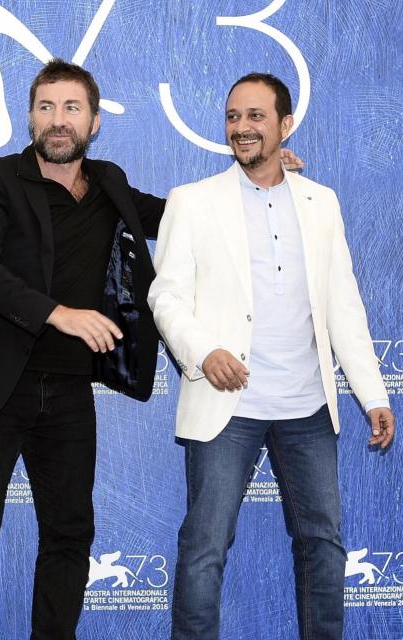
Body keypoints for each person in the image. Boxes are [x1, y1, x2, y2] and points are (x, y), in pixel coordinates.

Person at [147, 72, 394, 640]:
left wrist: (373, 394)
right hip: (226, 406)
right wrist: (202, 351)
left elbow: (343, 304)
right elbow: (166, 295)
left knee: (324, 544)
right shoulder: (193, 201)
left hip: (308, 406)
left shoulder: (320, 202)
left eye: (256, 116)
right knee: (205, 546)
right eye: (234, 116)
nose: (242, 127)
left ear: (285, 125)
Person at [0, 59, 164, 640]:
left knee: (69, 534)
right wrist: (57, 313)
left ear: (94, 122)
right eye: (46, 107)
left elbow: (184, 215)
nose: (57, 120)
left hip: (68, 392)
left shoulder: (110, 183)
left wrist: (254, 178)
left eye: (71, 108)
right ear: (30, 117)